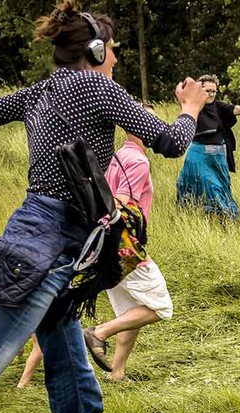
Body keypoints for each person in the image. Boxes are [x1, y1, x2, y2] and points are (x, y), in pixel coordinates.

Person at [0, 1, 206, 413]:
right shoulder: (97, 85)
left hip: (53, 242)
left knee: (78, 393)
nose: (115, 59)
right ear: (96, 52)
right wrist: (191, 108)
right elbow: (172, 142)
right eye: (113, 50)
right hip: (46, 249)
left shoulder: (42, 90)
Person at [82, 104, 175, 382]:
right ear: (139, 127)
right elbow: (122, 202)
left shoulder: (119, 155)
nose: (158, 128)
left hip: (106, 242)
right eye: (152, 123)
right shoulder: (138, 161)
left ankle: (117, 372)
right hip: (124, 244)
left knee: (130, 311)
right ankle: (98, 333)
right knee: (160, 307)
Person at [176, 74, 240, 221]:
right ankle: (196, 218)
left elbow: (232, 108)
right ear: (200, 91)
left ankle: (227, 219)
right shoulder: (193, 107)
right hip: (199, 156)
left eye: (214, 91)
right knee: (205, 187)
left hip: (218, 157)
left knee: (220, 187)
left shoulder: (217, 106)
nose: (211, 94)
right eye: (208, 91)